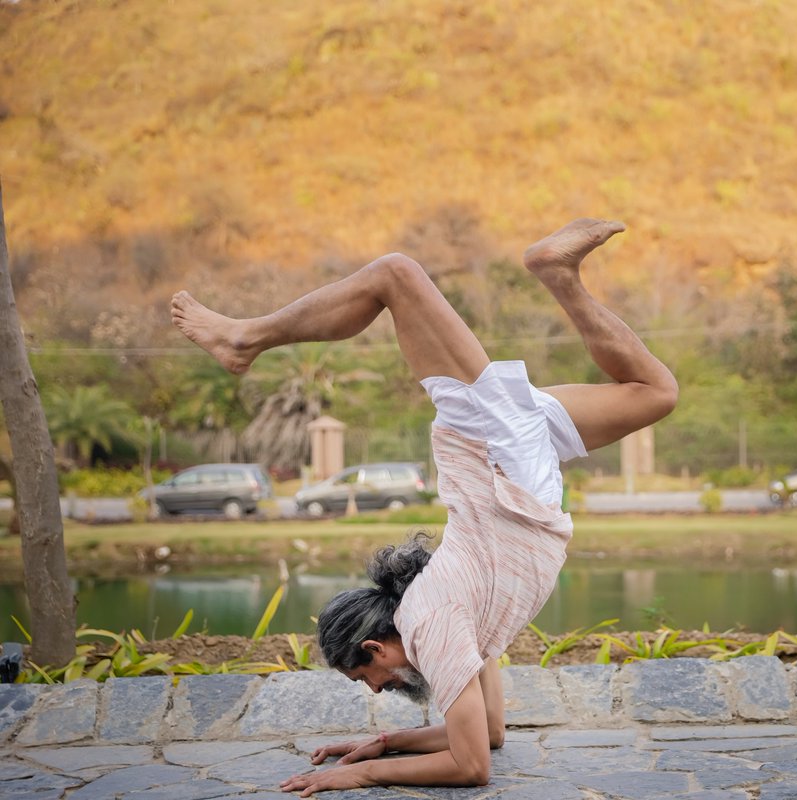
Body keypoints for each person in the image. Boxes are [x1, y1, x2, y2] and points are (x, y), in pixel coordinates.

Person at [170, 218, 677, 795]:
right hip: (511, 469)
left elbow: (470, 768)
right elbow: (488, 736)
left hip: (496, 457)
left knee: (395, 274)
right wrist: (388, 744)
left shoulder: (428, 622)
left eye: (369, 678)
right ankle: (559, 276)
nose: (377, 691)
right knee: (655, 392)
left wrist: (362, 774)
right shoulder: (454, 625)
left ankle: (245, 338)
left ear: (373, 646)